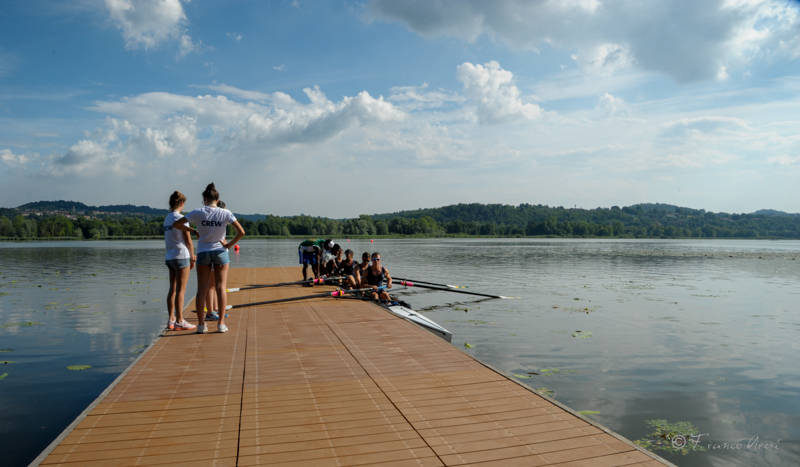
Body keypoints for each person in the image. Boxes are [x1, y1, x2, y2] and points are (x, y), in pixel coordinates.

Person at [174, 183, 244, 334]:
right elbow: (241, 232)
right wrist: (228, 245)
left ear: (205, 199)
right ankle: (221, 324)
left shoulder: (197, 212)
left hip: (203, 251)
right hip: (220, 251)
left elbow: (177, 224)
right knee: (220, 288)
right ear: (217, 200)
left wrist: (192, 229)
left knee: (202, 289)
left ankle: (201, 325)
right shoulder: (225, 213)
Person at [163, 191, 197, 331]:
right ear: (182, 203)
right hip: (181, 256)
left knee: (172, 289)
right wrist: (193, 256)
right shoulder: (181, 218)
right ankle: (180, 320)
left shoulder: (167, 218)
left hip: (170, 256)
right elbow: (188, 241)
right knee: (181, 290)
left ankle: (171, 319)